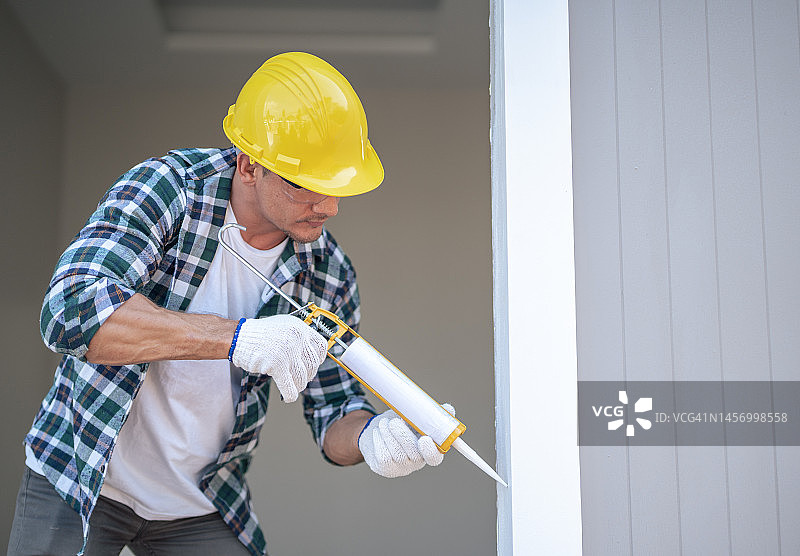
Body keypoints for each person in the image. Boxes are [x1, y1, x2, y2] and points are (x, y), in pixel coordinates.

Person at [8, 52, 451, 556]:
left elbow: (333, 414)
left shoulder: (328, 274)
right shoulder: (171, 188)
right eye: (307, 186)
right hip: (81, 473)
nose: (327, 207)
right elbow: (71, 310)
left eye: (336, 187)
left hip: (202, 502)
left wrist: (373, 437)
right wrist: (237, 339)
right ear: (248, 164)